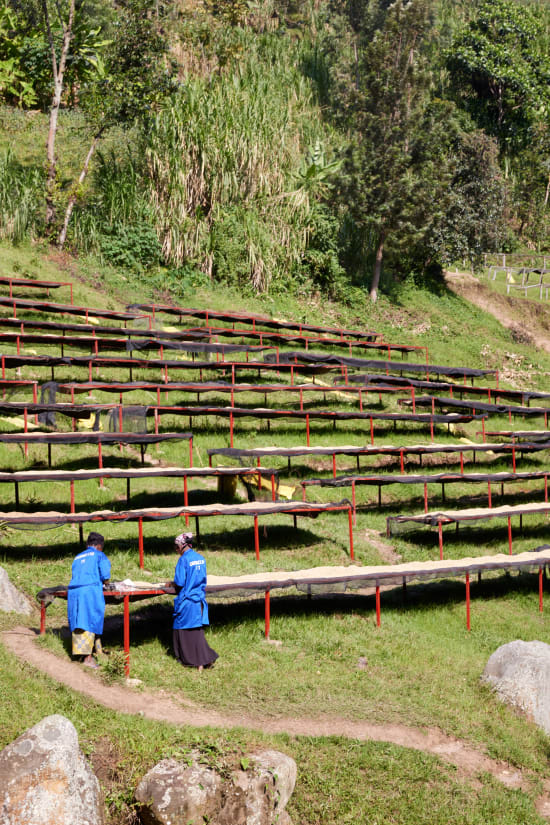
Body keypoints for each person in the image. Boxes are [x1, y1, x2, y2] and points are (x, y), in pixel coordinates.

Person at [172, 532, 218, 671]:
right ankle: (202, 662)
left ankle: (194, 660)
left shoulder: (183, 560)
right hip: (198, 601)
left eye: (176, 546)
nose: (176, 549)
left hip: (187, 601)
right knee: (196, 631)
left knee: (180, 629)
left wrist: (171, 583)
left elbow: (179, 582)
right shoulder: (200, 558)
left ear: (181, 546)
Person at [67, 531, 111, 669]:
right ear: (99, 545)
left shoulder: (77, 557)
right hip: (89, 591)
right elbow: (105, 576)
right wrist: (107, 583)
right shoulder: (99, 555)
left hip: (74, 592)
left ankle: (79, 653)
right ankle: (88, 658)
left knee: (79, 621)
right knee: (90, 621)